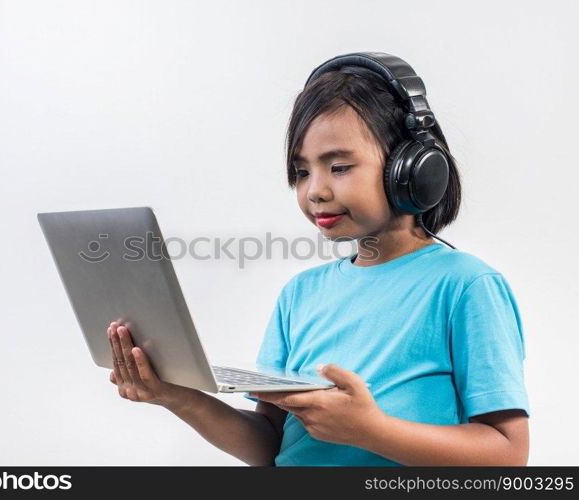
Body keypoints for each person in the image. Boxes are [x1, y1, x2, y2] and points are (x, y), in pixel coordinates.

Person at [106, 55, 530, 466]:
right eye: (302, 172)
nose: (315, 191)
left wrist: (370, 430)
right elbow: (269, 445)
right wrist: (176, 394)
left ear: (413, 169)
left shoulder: (466, 286)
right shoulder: (300, 294)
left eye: (340, 167)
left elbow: (508, 454)